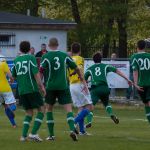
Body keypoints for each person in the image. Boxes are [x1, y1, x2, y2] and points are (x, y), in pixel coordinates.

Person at [40, 38, 88, 141]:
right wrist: (82, 79)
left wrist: (41, 85)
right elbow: (76, 68)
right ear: (58, 45)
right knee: (68, 109)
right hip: (63, 86)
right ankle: (72, 130)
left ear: (49, 45)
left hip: (51, 86)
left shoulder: (45, 56)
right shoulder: (64, 55)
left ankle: (52, 136)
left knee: (49, 110)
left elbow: (41, 70)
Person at [12, 41, 46, 142]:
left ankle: (23, 136)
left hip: (21, 90)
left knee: (29, 113)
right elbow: (36, 74)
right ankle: (33, 133)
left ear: (20, 49)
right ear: (29, 48)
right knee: (42, 109)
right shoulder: (31, 58)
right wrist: (41, 87)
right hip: (31, 89)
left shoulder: (16, 60)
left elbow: (13, 77)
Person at [84, 52, 132, 124]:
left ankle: (89, 121)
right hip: (105, 88)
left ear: (93, 60)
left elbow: (84, 80)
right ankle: (111, 114)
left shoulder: (90, 69)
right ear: (101, 59)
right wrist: (127, 79)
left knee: (90, 106)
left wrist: (86, 85)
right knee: (106, 103)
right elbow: (117, 71)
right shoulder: (105, 66)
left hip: (95, 89)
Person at [69, 42, 93, 135]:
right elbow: (79, 72)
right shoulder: (81, 59)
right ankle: (74, 122)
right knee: (90, 107)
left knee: (81, 108)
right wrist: (85, 85)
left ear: (71, 50)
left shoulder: (69, 59)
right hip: (79, 84)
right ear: (80, 50)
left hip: (71, 85)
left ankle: (82, 131)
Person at [131, 40, 150, 123]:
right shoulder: (149, 56)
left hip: (141, 84)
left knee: (146, 104)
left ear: (137, 47)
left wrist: (135, 84)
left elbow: (135, 72)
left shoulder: (134, 57)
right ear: (145, 47)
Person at [0, 55, 17, 128]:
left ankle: (14, 124)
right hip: (5, 87)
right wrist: (11, 81)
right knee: (12, 105)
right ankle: (10, 110)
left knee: (5, 105)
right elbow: (10, 76)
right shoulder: (3, 64)